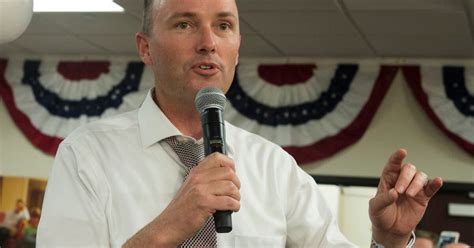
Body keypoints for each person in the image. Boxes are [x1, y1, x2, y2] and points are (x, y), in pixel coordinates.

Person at [37, 0, 444, 247]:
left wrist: (388, 241)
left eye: (224, 26)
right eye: (184, 23)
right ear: (145, 48)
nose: (208, 41)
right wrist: (168, 228)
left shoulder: (275, 167)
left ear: (236, 48)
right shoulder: (87, 155)